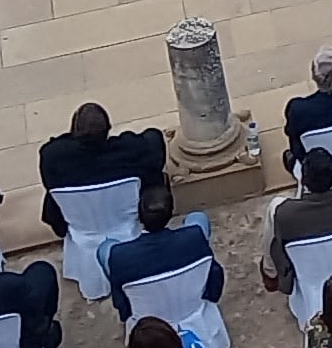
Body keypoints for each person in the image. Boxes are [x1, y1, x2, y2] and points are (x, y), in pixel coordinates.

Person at [34, 102, 170, 241]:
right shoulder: (131, 152)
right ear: (108, 130)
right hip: (127, 231)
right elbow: (154, 138)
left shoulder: (53, 157)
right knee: (153, 176)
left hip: (82, 237)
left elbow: (49, 179)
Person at [255, 146, 332, 295]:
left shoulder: (282, 211)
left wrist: (270, 272)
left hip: (310, 285)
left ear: (303, 181)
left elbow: (270, 247)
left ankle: (270, 273)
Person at [101, 175, 219, 309]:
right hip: (193, 308)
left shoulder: (120, 256)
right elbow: (216, 276)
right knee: (197, 218)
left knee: (105, 248)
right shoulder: (194, 238)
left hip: (148, 318)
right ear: (171, 213)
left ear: (139, 215)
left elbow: (121, 302)